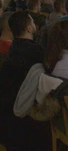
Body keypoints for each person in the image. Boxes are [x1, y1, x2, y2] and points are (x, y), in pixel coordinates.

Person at [0, 11, 51, 151]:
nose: (34, 24)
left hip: (8, 117)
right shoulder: (37, 52)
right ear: (29, 28)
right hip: (28, 118)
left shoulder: (11, 50)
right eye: (32, 22)